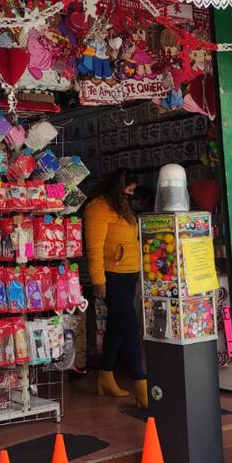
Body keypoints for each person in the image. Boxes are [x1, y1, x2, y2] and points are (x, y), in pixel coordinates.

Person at [85, 168, 147, 408]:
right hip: (112, 277)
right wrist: (98, 280)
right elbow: (94, 247)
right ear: (119, 185)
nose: (131, 194)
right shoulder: (98, 208)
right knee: (130, 327)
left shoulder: (121, 207)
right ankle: (141, 386)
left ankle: (105, 376)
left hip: (129, 274)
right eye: (129, 189)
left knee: (117, 327)